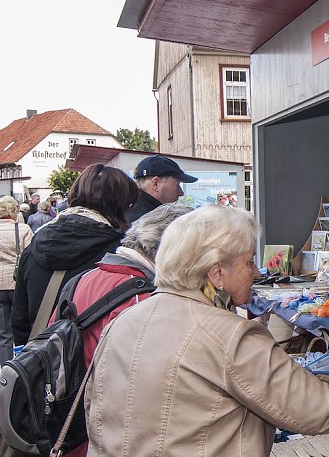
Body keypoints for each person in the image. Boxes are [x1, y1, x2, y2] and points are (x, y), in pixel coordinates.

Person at [84, 205, 329, 456]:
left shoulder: (122, 322)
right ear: (216, 273)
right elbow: (325, 409)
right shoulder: (229, 336)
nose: (257, 271)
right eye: (248, 262)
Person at [49, 203, 193, 457]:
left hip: (71, 426)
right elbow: (153, 393)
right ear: (173, 251)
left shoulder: (83, 279)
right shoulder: (144, 298)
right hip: (108, 437)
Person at [11, 164, 139, 344]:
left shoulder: (33, 247)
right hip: (95, 363)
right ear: (121, 204)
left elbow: (19, 322)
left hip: (44, 363)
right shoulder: (121, 253)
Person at [0, 197, 33, 363]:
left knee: (4, 332)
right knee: (21, 327)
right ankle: (21, 365)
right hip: (18, 283)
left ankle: (5, 367)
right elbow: (31, 256)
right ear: (14, 211)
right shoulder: (23, 229)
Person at [126, 155, 197, 223]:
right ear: (155, 184)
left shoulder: (131, 211)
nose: (181, 193)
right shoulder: (150, 222)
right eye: (177, 185)